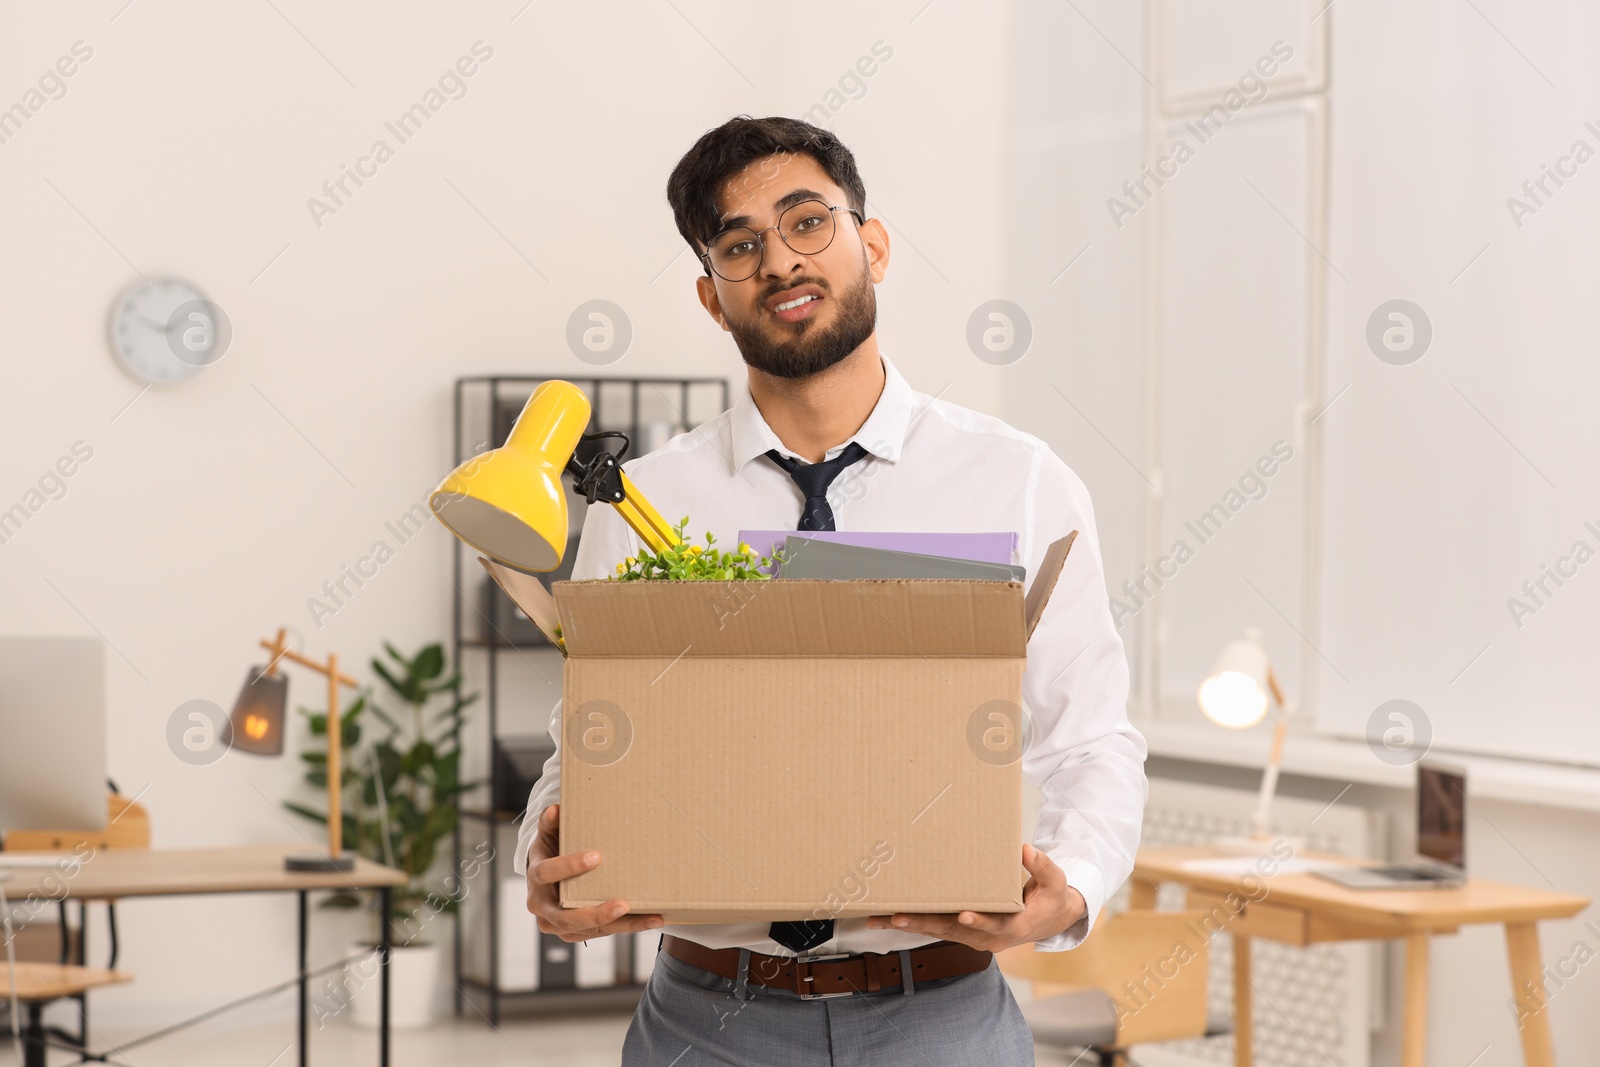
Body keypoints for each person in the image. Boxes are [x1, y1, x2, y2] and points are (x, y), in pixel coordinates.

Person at [513, 115, 1149, 1066]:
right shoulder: (642, 502)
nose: (778, 259)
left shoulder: (1018, 481)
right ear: (711, 296)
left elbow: (1092, 737)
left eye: (807, 221)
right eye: (740, 244)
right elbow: (591, 743)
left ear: (873, 244)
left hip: (941, 1015)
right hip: (704, 1018)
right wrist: (543, 853)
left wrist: (1077, 887)